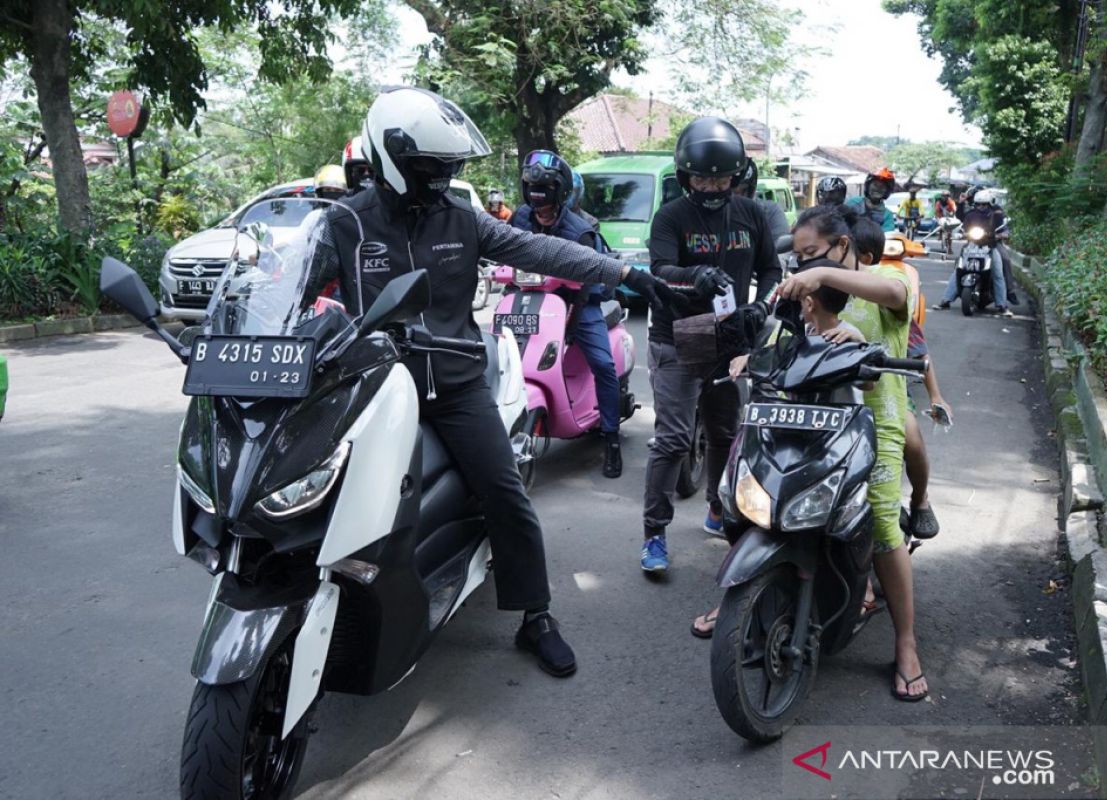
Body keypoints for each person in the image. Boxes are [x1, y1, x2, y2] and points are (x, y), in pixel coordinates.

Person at [313, 87, 679, 678]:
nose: (442, 178)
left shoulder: (462, 219)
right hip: (375, 388)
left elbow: (545, 250)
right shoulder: (343, 223)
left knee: (505, 493)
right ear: (393, 161)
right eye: (432, 167)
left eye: (447, 168)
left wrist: (630, 274)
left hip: (455, 386)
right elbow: (293, 292)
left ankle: (536, 615)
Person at [775, 205, 929, 702]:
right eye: (798, 258)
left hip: (876, 424)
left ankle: (906, 644)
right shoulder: (805, 288)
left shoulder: (890, 277)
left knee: (884, 526)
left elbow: (897, 295)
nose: (804, 266)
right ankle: (743, 599)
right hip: (815, 421)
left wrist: (822, 274)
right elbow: (782, 338)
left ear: (842, 245)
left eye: (813, 254)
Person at [640, 116, 781, 573]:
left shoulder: (752, 215)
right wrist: (693, 275)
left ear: (736, 177)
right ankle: (655, 534)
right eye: (702, 176)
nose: (712, 185)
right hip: (678, 337)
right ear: (686, 177)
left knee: (725, 433)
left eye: (721, 177)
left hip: (729, 338)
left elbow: (772, 270)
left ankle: (717, 508)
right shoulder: (671, 217)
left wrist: (763, 306)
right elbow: (659, 269)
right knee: (674, 439)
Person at [510, 149, 624, 478]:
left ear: (559, 191)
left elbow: (591, 280)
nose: (538, 197)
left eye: (544, 189)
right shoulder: (519, 218)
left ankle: (611, 439)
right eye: (532, 187)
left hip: (578, 301)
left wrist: (572, 323)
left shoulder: (580, 230)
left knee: (602, 364)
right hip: (530, 299)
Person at [852, 223, 951, 539]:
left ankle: (920, 499)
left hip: (888, 392)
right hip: (835, 395)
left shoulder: (888, 298)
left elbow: (919, 351)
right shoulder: (821, 291)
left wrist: (935, 395)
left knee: (912, 438)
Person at [935, 188, 1013, 317]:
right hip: (972, 246)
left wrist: (1001, 235)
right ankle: (945, 300)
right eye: (978, 204)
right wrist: (961, 233)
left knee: (998, 273)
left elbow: (1004, 229)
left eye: (984, 204)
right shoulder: (971, 214)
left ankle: (1002, 306)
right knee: (958, 271)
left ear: (990, 204)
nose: (981, 207)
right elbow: (962, 225)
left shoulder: (997, 214)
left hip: (990, 246)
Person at [734, 158, 790, 239]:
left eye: (738, 192)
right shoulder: (715, 214)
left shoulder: (770, 213)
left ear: (751, 190)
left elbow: (779, 247)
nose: (733, 198)